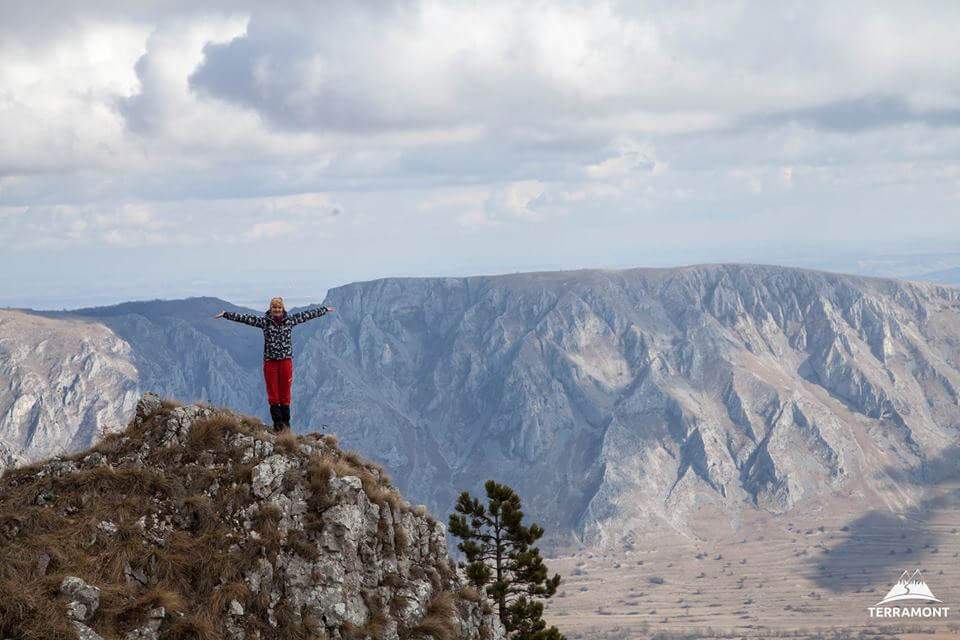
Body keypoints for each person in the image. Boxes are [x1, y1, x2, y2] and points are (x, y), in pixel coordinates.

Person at [215, 297, 335, 432]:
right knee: (273, 394)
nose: (277, 310)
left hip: (285, 362)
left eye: (279, 307)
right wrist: (226, 314)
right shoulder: (264, 322)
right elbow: (245, 318)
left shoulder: (290, 320)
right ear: (270, 309)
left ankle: (286, 426)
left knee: (285, 394)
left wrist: (324, 310)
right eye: (274, 307)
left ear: (282, 309)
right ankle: (278, 425)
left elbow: (307, 315)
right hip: (270, 362)